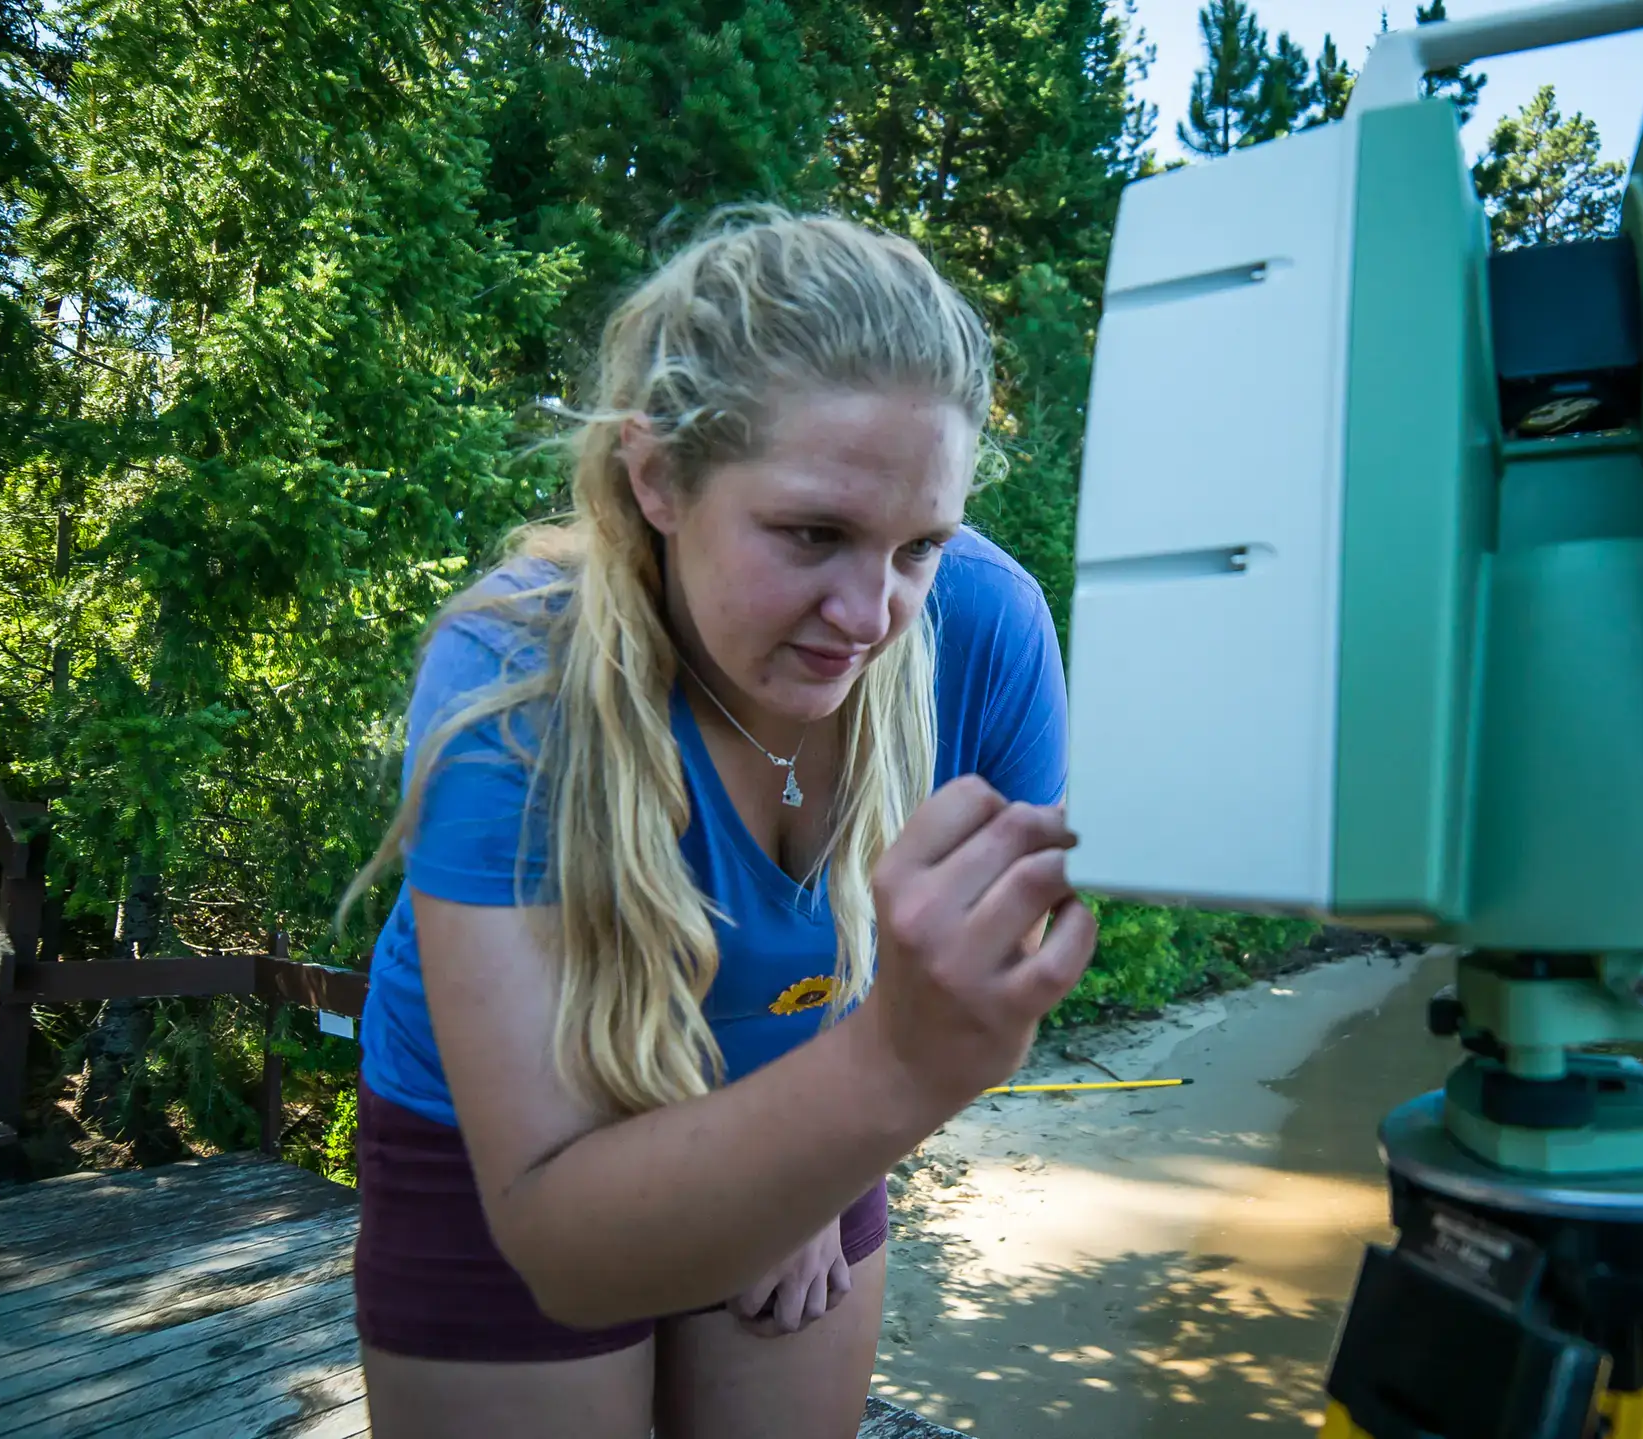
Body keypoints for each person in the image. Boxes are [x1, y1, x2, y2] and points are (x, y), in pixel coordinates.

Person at [339, 209, 1094, 1438]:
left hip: (819, 1100)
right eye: (812, 533)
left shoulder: (989, 629)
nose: (869, 612)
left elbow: (991, 969)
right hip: (511, 1147)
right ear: (657, 477)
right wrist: (892, 1068)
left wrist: (813, 1162)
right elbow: (563, 1245)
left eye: (918, 547)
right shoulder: (512, 675)